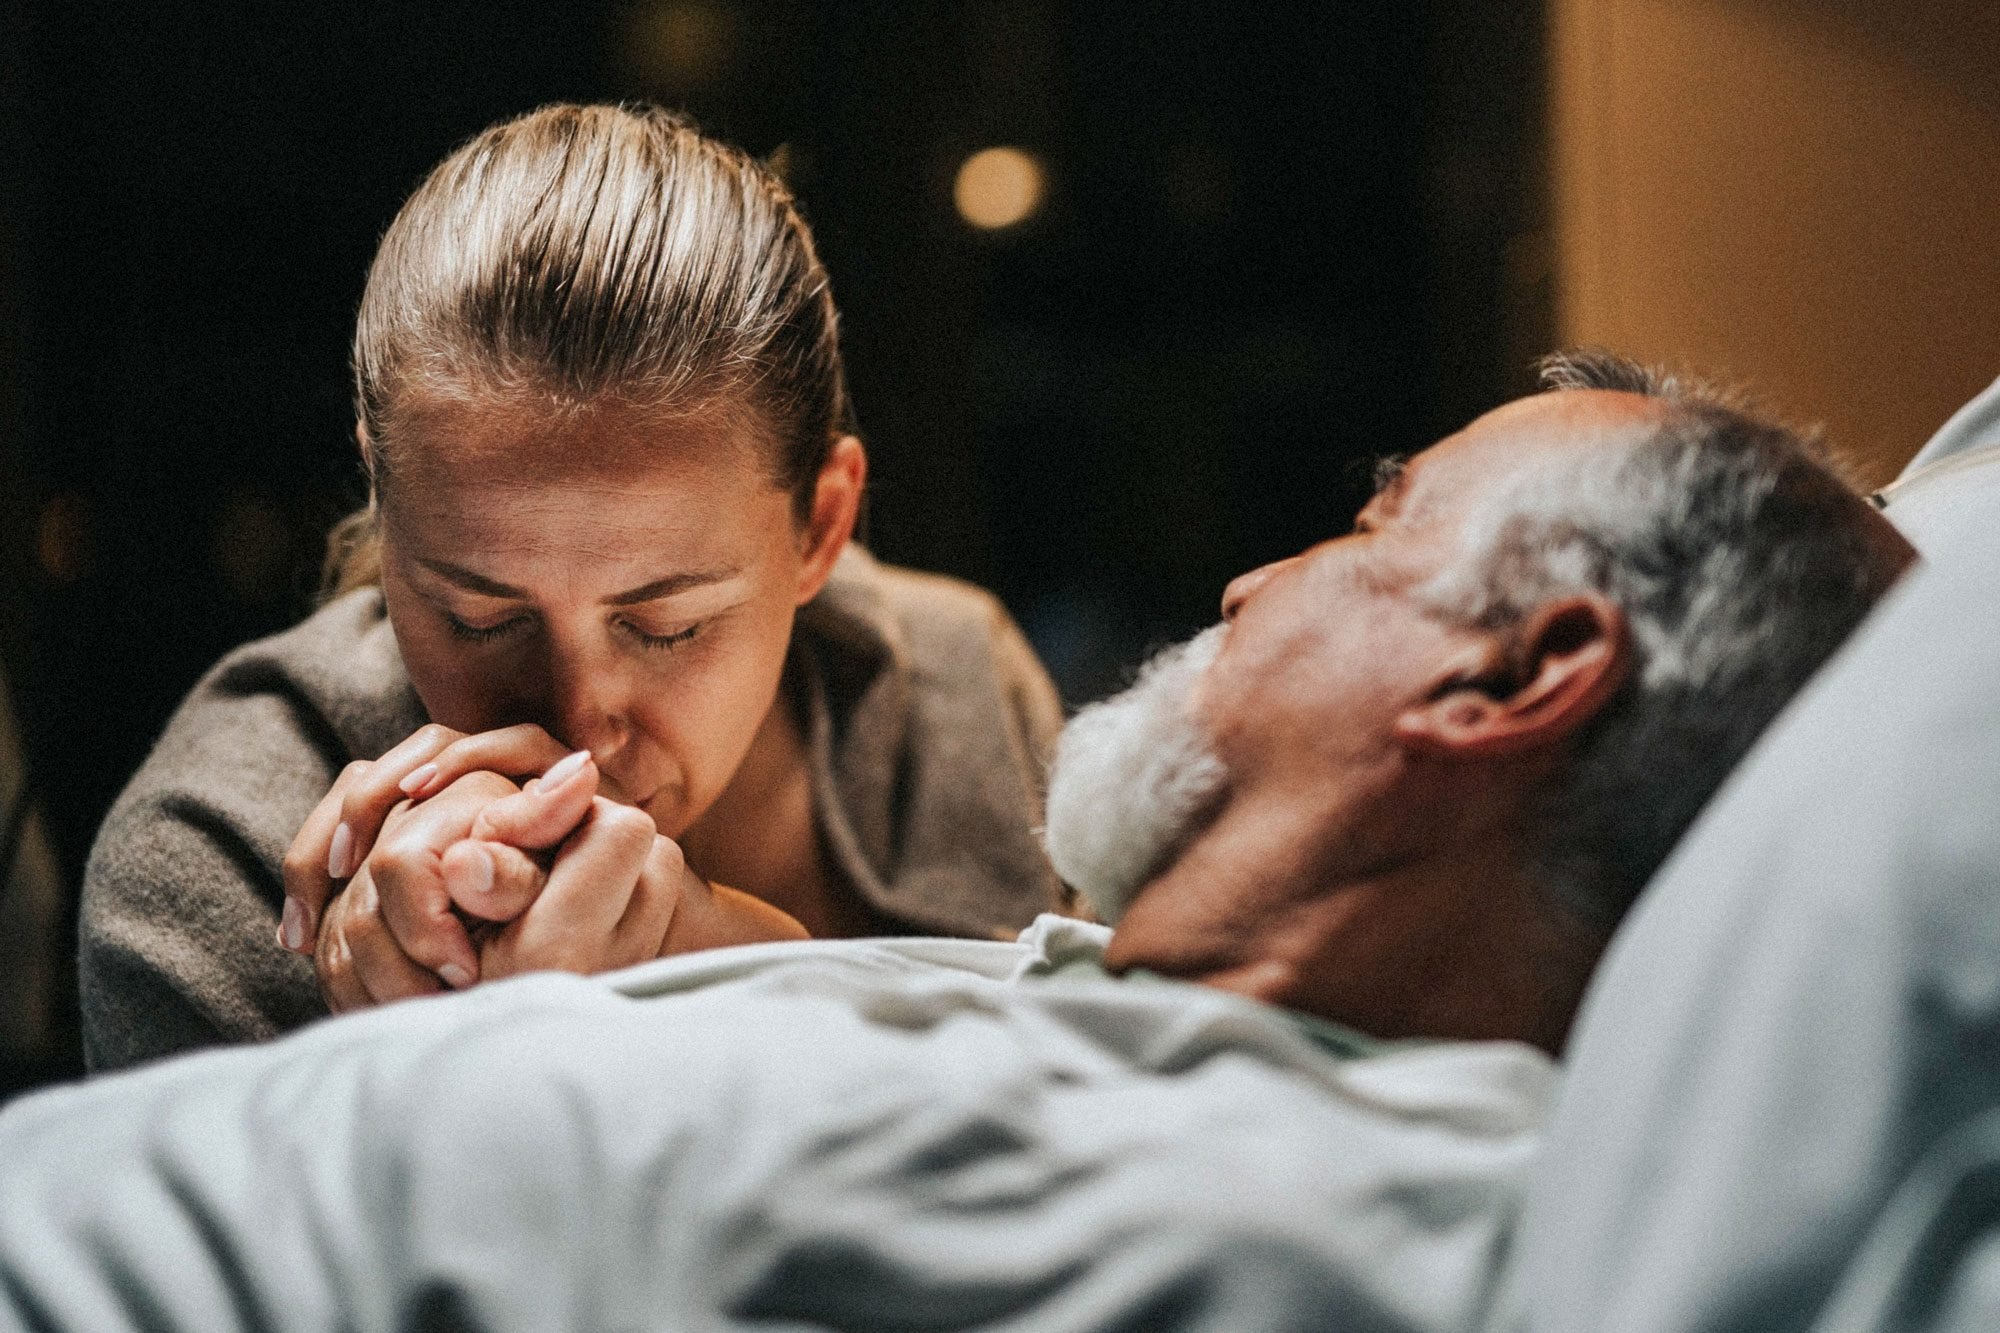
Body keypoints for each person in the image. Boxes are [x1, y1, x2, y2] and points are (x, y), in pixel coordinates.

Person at [0, 353, 1911, 1332]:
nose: (1257, 573)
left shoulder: (1287, 1203)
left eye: (1378, 524)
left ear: (1520, 675)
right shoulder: (1085, 1004)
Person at [77, 103, 1069, 1072]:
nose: (579, 727)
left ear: (821, 524)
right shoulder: (218, 853)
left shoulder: (957, 693)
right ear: (385, 502)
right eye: (479, 618)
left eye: (668, 625)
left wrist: (725, 960)